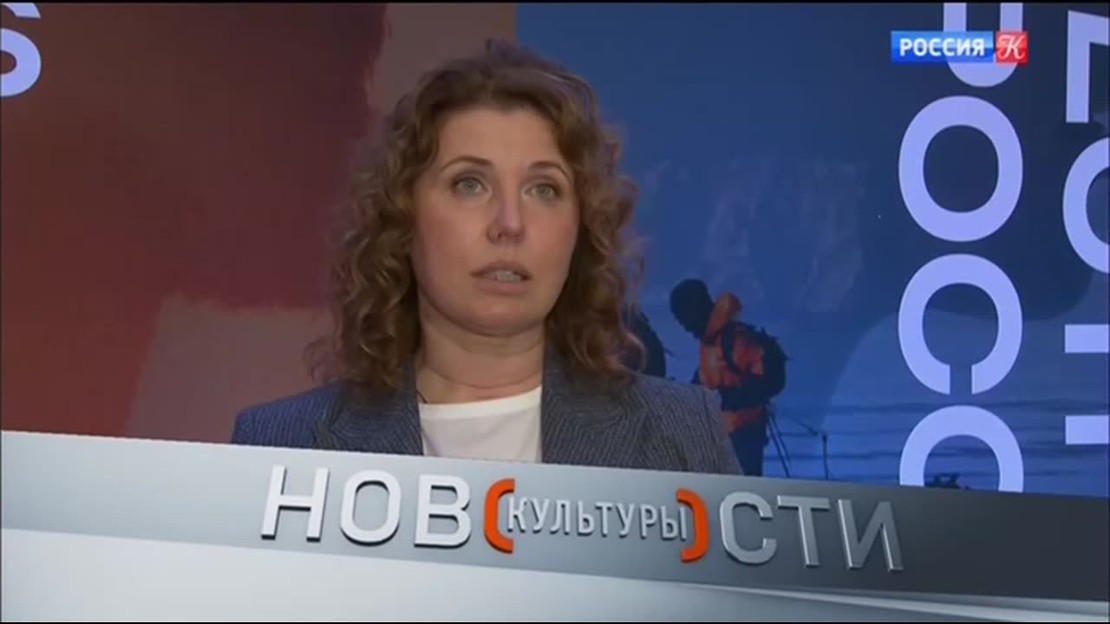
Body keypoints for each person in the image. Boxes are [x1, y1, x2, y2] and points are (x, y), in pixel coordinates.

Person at [231, 40, 741, 476]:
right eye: (469, 184)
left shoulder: (682, 436)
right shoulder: (280, 447)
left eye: (544, 189)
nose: (509, 223)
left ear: (580, 230)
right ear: (403, 218)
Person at [670, 279, 787, 476]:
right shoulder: (713, 341)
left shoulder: (732, 340)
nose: (683, 325)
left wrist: (731, 406)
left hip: (741, 437)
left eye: (682, 316)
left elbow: (753, 384)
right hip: (728, 437)